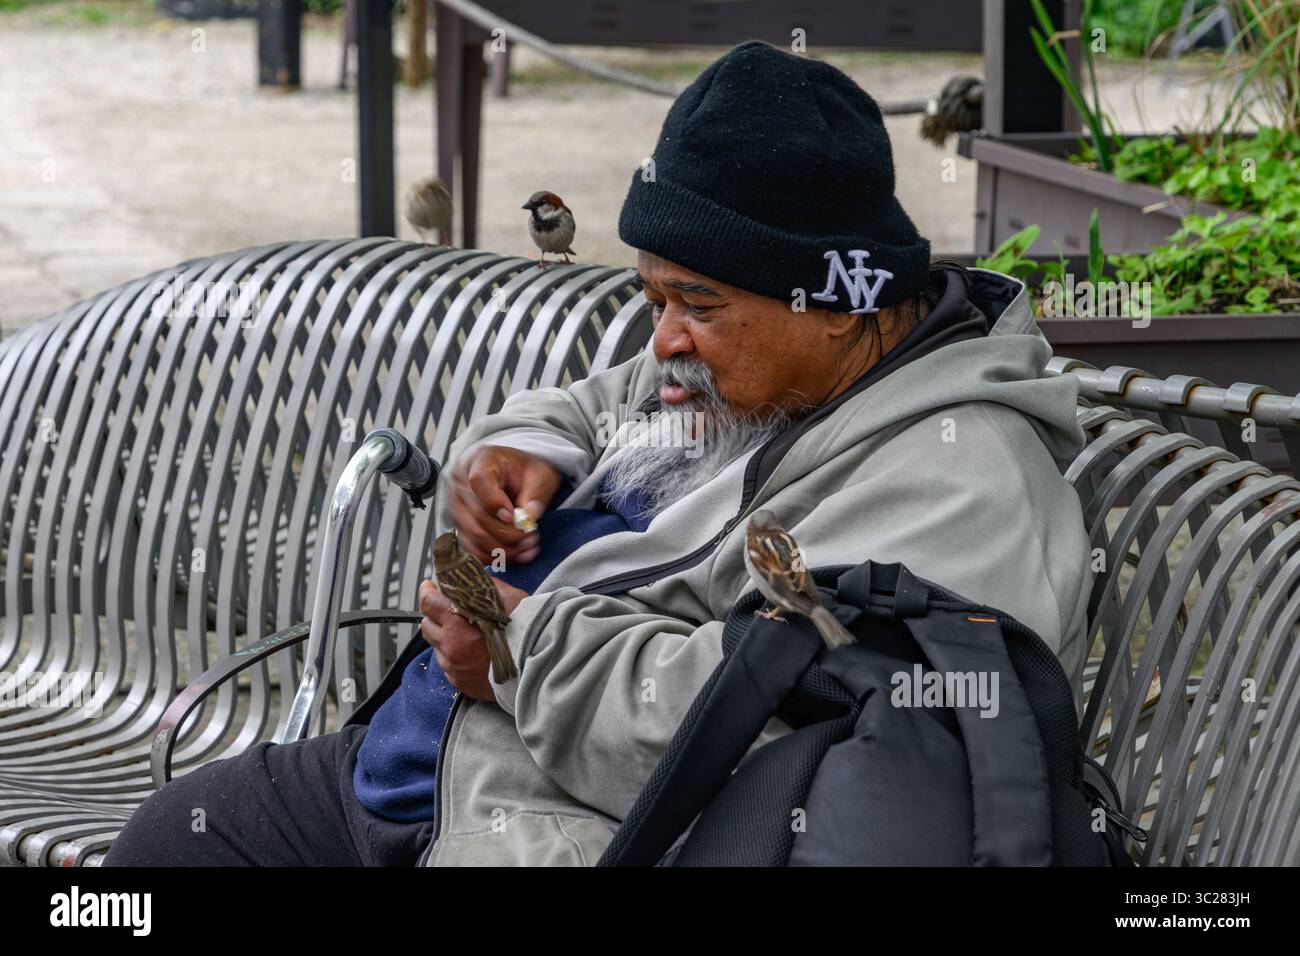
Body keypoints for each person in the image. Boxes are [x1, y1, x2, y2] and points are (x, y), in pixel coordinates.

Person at [104, 40, 1091, 868]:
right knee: (161, 851)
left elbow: (784, 729)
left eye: (695, 304)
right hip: (427, 769)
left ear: (836, 308)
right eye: (651, 296)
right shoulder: (760, 369)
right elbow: (595, 399)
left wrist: (517, 648)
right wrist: (524, 445)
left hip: (554, 831)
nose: (663, 339)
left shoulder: (961, 482)